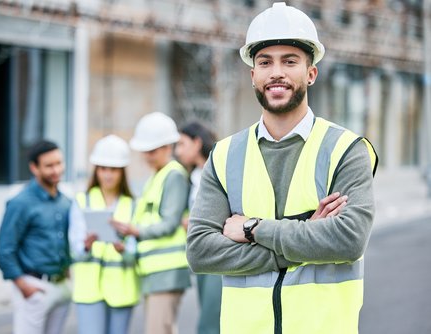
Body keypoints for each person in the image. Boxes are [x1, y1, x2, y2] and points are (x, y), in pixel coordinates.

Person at [186, 3, 378, 334]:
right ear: (253, 75)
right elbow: (201, 250)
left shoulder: (347, 150)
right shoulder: (224, 154)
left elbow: (348, 239)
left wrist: (252, 228)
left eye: (290, 61)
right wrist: (303, 240)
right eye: (265, 62)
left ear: (311, 73)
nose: (277, 72)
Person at [113, 112, 191, 334]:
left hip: (166, 271)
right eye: (144, 151)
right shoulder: (156, 177)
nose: (147, 156)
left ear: (168, 146)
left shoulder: (173, 175)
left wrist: (135, 231)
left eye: (152, 150)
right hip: (155, 272)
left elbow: (169, 223)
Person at [0, 140, 72, 334]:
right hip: (34, 287)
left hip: (62, 286)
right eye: (49, 166)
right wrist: (24, 286)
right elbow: (4, 249)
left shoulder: (65, 201)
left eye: (59, 163)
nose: (56, 170)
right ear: (34, 168)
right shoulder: (20, 203)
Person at [69, 134, 139, 334]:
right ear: (96, 170)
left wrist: (123, 250)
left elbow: (136, 252)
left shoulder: (132, 204)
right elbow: (74, 249)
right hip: (89, 290)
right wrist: (86, 245)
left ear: (122, 172)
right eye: (103, 168)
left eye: (114, 169)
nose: (108, 175)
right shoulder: (81, 201)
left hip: (121, 290)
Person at [175, 121, 221, 334]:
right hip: (200, 256)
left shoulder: (220, 170)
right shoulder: (190, 177)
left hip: (218, 255)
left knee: (210, 322)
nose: (178, 151)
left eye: (182, 144)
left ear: (197, 143)